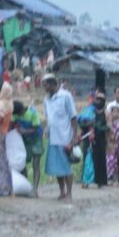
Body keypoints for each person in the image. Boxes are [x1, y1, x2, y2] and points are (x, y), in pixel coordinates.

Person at [43, 74, 78, 203]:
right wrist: (47, 129)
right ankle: (62, 191)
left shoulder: (65, 96)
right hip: (53, 137)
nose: (44, 88)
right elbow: (49, 118)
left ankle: (69, 193)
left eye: (46, 85)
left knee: (66, 166)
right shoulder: (46, 99)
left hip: (65, 137)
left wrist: (74, 136)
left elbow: (73, 117)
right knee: (57, 167)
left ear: (53, 84)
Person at [12, 101, 43, 197]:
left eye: (18, 115)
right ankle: (25, 186)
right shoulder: (16, 114)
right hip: (25, 141)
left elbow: (36, 127)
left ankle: (35, 189)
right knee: (22, 162)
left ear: (21, 111)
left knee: (36, 163)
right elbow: (12, 123)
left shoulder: (32, 113)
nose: (17, 117)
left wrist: (25, 131)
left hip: (36, 139)